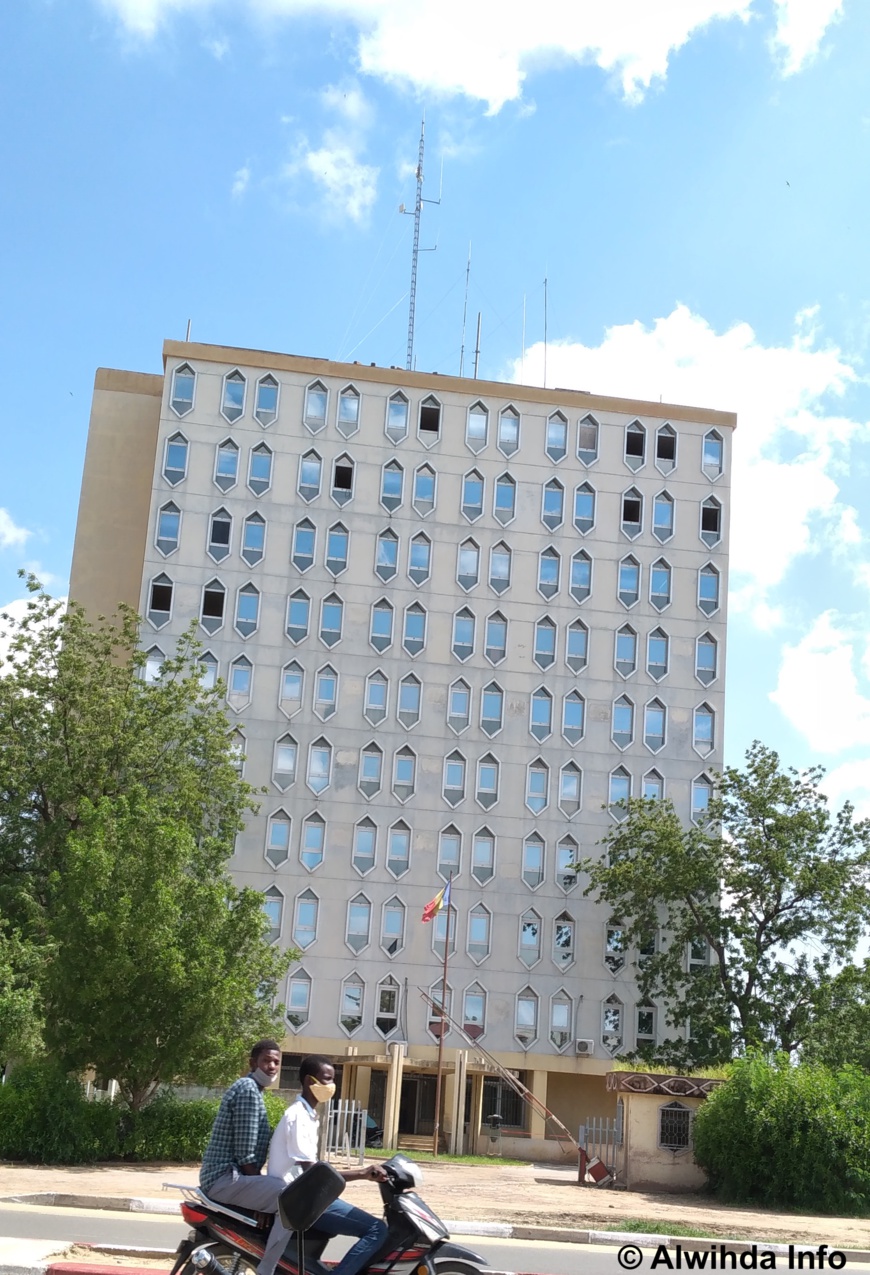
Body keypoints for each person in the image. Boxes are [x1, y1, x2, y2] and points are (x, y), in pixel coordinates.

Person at [268, 1054, 388, 1275]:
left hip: (307, 1196)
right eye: (327, 1079)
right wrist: (362, 1173)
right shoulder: (298, 1116)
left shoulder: (308, 1114)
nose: (331, 1085)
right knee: (377, 1229)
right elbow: (314, 1174)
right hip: (302, 1201)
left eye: (333, 1079)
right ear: (309, 1081)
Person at [199, 1038, 293, 1275]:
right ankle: (267, 1270)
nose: (272, 1067)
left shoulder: (253, 1091)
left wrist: (261, 1194)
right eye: (266, 1061)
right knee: (292, 1200)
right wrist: (260, 1194)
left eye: (276, 1062)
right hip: (224, 1178)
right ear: (253, 1063)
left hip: (232, 1178)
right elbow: (245, 1155)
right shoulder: (248, 1090)